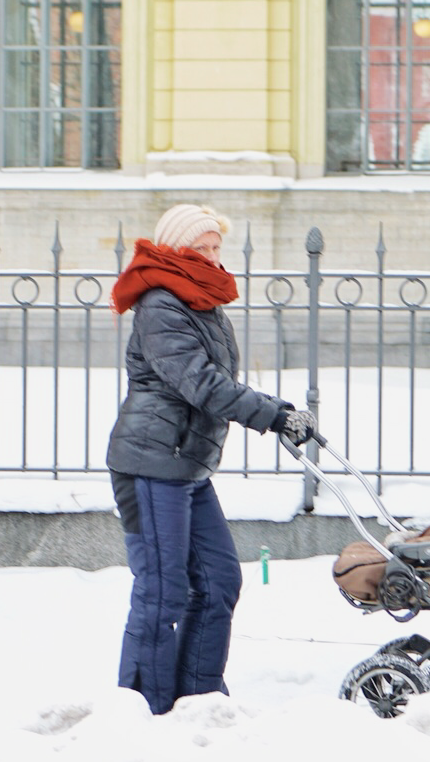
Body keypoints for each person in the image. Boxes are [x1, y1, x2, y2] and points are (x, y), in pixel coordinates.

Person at [107, 203, 316, 715]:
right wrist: (272, 415)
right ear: (175, 250)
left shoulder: (201, 302)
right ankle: (143, 708)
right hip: (152, 463)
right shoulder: (161, 303)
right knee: (162, 591)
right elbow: (200, 382)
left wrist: (277, 411)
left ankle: (199, 699)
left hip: (186, 466)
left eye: (216, 247)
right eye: (199, 248)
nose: (211, 256)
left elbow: (216, 383)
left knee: (219, 580)